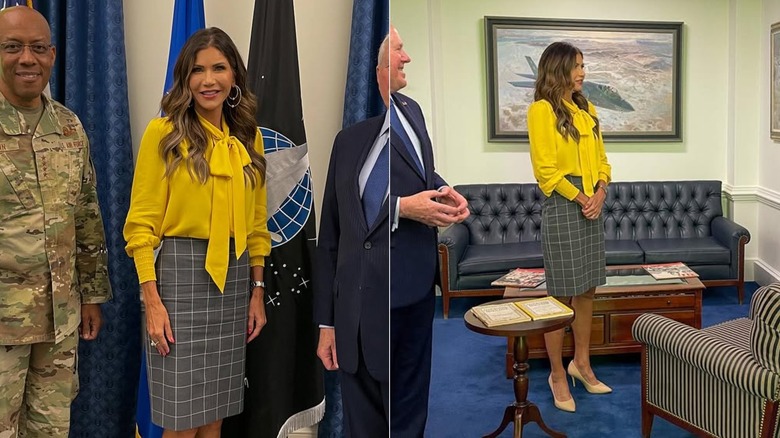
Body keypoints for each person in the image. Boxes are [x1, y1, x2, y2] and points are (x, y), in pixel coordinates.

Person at [123, 27, 270, 437]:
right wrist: (151, 301)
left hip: (235, 279)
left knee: (215, 416)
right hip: (177, 280)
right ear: (185, 79)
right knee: (181, 421)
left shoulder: (248, 137)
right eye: (198, 70)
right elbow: (141, 226)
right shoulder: (164, 132)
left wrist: (257, 292)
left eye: (219, 68)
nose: (209, 80)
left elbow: (257, 224)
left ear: (235, 77)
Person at [0, 6, 110, 437]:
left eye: (38, 48)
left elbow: (85, 213)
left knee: (50, 430)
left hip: (58, 320)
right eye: (12, 47)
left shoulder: (68, 126)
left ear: (53, 54)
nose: (27, 58)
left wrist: (92, 293)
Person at [387, 26, 469, 437]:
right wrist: (403, 207)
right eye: (400, 50)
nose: (407, 58)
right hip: (379, 278)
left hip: (420, 277)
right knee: (377, 395)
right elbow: (348, 200)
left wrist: (445, 190)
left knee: (414, 386)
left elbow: (421, 171)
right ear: (378, 58)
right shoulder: (360, 118)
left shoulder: (410, 108)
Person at [527, 41, 613, 413]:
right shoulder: (541, 111)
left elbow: (604, 161)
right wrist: (581, 198)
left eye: (583, 65)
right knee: (560, 295)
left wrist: (600, 191)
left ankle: (582, 363)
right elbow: (546, 171)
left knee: (587, 291)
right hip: (564, 207)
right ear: (558, 69)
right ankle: (557, 373)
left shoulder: (588, 109)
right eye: (576, 66)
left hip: (591, 203)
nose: (582, 72)